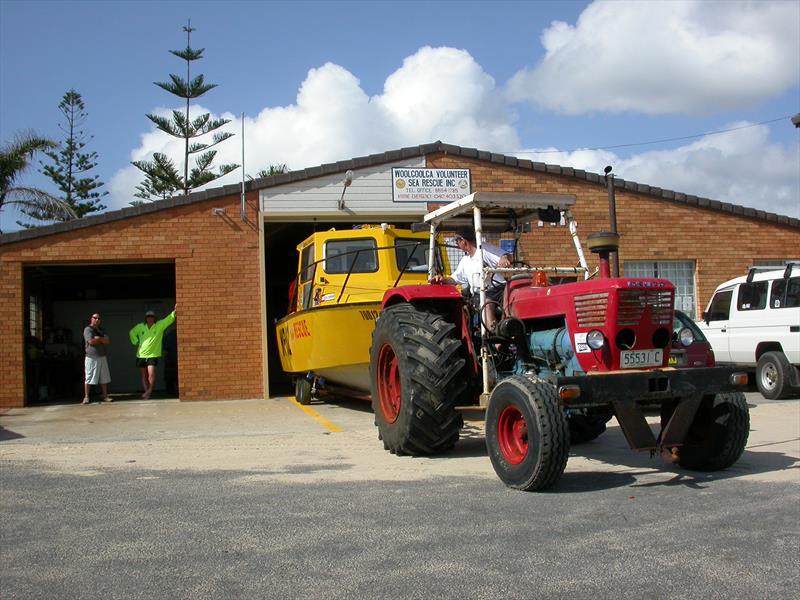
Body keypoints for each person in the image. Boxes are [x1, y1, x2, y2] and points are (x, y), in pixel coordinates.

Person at [429, 228, 511, 330]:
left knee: (508, 297)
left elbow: (504, 255)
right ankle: (493, 334)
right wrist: (442, 280)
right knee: (486, 303)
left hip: (499, 289)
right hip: (481, 294)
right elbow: (454, 279)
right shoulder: (465, 260)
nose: (456, 243)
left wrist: (504, 258)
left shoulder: (483, 250)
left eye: (457, 241)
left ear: (463, 241)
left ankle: (508, 327)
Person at [129, 305, 176, 400]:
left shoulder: (159, 325)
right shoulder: (140, 326)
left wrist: (175, 311)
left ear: (154, 318)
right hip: (141, 355)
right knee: (143, 375)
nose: (150, 318)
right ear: (145, 318)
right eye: (148, 317)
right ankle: (147, 392)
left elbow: (169, 319)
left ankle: (149, 390)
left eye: (151, 317)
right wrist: (135, 341)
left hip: (153, 355)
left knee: (151, 374)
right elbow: (131, 332)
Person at [83, 313, 111, 404]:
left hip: (102, 356)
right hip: (91, 357)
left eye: (99, 318)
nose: (97, 319)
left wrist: (98, 338)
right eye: (95, 318)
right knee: (89, 376)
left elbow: (107, 341)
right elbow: (91, 341)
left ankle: (105, 396)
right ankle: (86, 396)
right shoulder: (88, 329)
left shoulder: (102, 330)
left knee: (104, 377)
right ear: (91, 319)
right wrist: (101, 339)